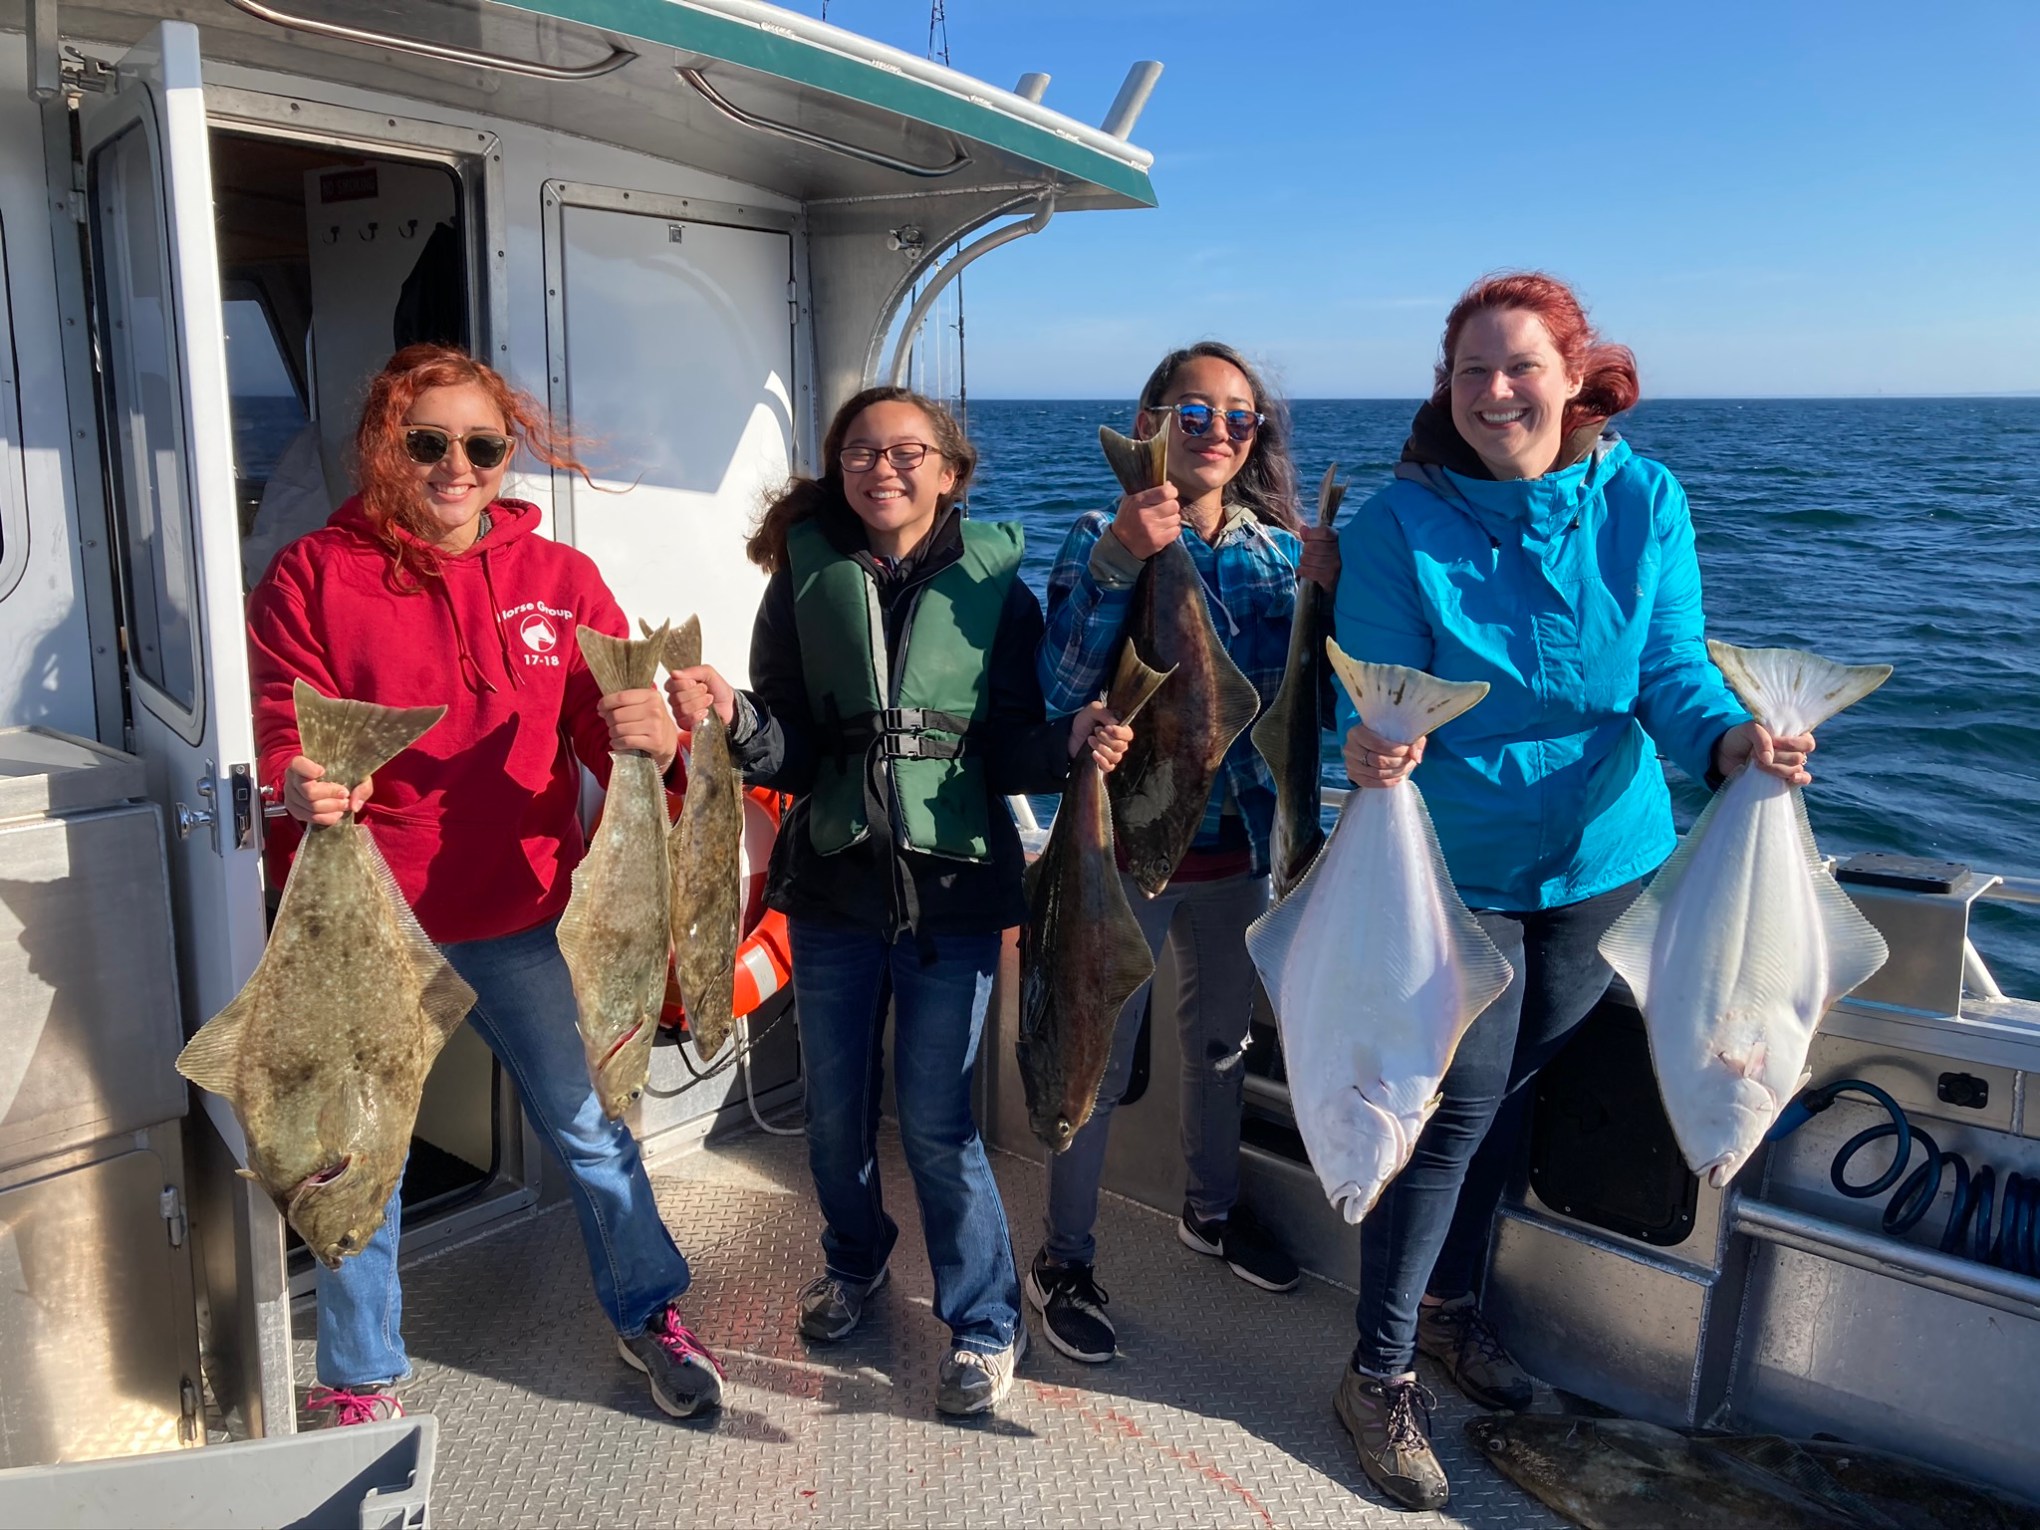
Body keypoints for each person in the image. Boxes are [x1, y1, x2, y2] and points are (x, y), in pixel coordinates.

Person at [1330, 273, 1818, 1511]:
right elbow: (1379, 686)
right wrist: (1373, 744)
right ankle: (1377, 1371)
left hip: (1607, 858)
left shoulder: (1645, 500)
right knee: (1452, 1107)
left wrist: (1730, 744)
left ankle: (1451, 1309)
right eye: (1472, 371)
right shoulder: (1397, 525)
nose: (1496, 391)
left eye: (1521, 367)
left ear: (1572, 374)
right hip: (1459, 866)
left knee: (1514, 1097)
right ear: (1446, 388)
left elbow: (1671, 669)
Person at [247, 343, 725, 1428]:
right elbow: (282, 722)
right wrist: (296, 778)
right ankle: (360, 1377)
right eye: (427, 442)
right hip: (369, 924)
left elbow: (607, 734)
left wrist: (661, 740)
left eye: (482, 445)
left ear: (509, 455)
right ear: (384, 447)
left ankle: (648, 1310)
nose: (455, 466)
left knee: (592, 1127)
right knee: (356, 1157)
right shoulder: (313, 574)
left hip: (525, 916)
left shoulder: (560, 582)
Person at [666, 386, 1130, 1417]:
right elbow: (790, 745)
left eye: (908, 452)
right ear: (839, 471)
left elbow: (1011, 747)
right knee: (835, 1120)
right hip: (833, 895)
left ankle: (985, 1318)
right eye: (862, 453)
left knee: (935, 1124)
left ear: (950, 473)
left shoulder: (998, 591)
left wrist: (1068, 742)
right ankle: (855, 1259)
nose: (883, 468)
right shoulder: (802, 581)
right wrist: (735, 716)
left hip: (953, 898)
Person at [1026, 341, 1341, 1365]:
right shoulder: (1097, 533)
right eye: (1192, 412)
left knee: (1222, 1044)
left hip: (1238, 847)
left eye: (1238, 417)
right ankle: (1063, 1257)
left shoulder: (1276, 553)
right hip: (1122, 843)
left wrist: (1330, 597)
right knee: (1095, 1047)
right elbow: (1057, 684)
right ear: (1151, 422)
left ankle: (1210, 1211)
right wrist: (1124, 555)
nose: (1216, 432)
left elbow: (1311, 708)